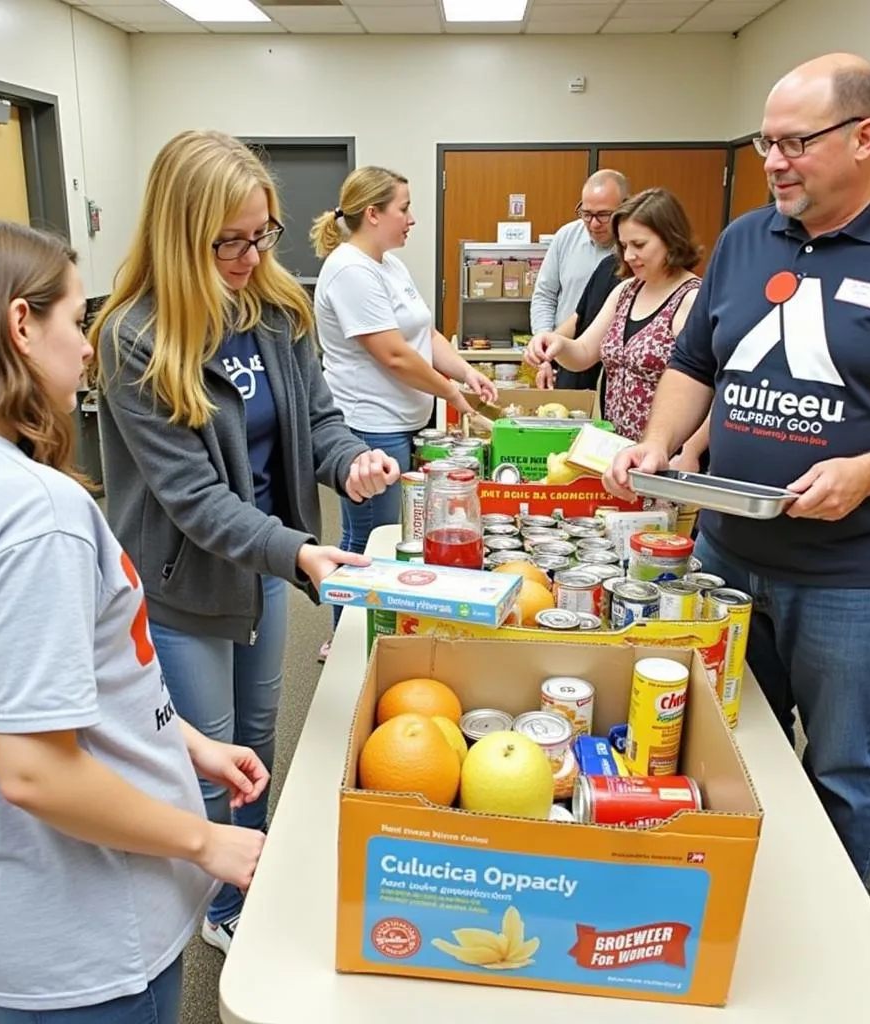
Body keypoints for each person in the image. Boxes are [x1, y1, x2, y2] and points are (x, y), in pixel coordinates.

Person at [0, 216, 269, 1022]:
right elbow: (36, 769)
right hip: (68, 938)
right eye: (75, 318)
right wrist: (206, 841)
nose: (90, 346)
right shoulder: (35, 513)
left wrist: (187, 744)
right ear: (19, 327)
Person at [605, 54, 870, 888]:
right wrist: (661, 443)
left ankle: (830, 919)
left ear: (865, 137)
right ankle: (739, 890)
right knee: (730, 743)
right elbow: (693, 362)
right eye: (764, 142)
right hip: (727, 554)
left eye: (794, 142)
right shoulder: (747, 239)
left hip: (857, 577)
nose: (773, 161)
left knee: (846, 768)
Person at [93, 131, 399, 954]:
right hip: (185, 581)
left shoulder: (275, 307)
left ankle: (245, 883)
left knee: (257, 735)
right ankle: (205, 900)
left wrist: (351, 462)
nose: (247, 253)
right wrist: (299, 551)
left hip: (264, 566)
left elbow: (317, 419)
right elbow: (193, 499)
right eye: (227, 240)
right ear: (178, 233)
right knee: (205, 750)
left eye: (260, 234)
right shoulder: (134, 339)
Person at [310, 166, 497, 653]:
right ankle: (345, 641)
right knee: (368, 539)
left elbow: (424, 335)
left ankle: (363, 632)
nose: (412, 218)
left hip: (403, 423)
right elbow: (392, 354)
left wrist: (464, 372)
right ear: (373, 213)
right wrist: (451, 396)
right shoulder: (351, 270)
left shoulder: (388, 264)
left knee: (386, 533)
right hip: (370, 425)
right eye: (404, 208)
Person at [524, 188, 702, 444]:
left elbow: (715, 390)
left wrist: (691, 453)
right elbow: (584, 353)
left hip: (667, 454)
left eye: (639, 245)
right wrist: (557, 344)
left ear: (670, 239)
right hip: (619, 449)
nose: (629, 256)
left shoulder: (692, 300)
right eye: (624, 245)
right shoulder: (626, 292)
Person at [529, 169, 629, 392]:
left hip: (614, 369)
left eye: (604, 215)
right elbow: (545, 296)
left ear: (626, 208)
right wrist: (544, 353)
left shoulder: (629, 257)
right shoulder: (566, 237)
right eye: (586, 214)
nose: (594, 224)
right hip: (566, 356)